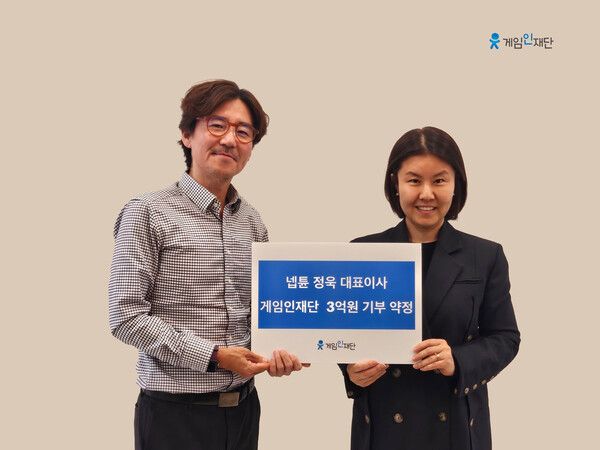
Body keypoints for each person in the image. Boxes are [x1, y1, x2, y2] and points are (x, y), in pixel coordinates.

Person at [109, 79, 304, 450]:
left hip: (244, 410)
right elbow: (125, 317)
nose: (230, 139)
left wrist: (283, 350)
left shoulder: (253, 222)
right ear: (187, 134)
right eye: (217, 126)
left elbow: (261, 314)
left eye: (243, 132)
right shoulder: (147, 212)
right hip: (173, 416)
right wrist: (215, 357)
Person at [340, 127, 520, 450]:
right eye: (414, 180)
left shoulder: (485, 255)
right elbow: (341, 329)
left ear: (456, 185)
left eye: (439, 181)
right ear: (395, 184)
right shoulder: (363, 251)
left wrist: (458, 360)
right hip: (383, 425)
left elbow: (506, 337)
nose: (426, 194)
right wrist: (350, 369)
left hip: (454, 425)